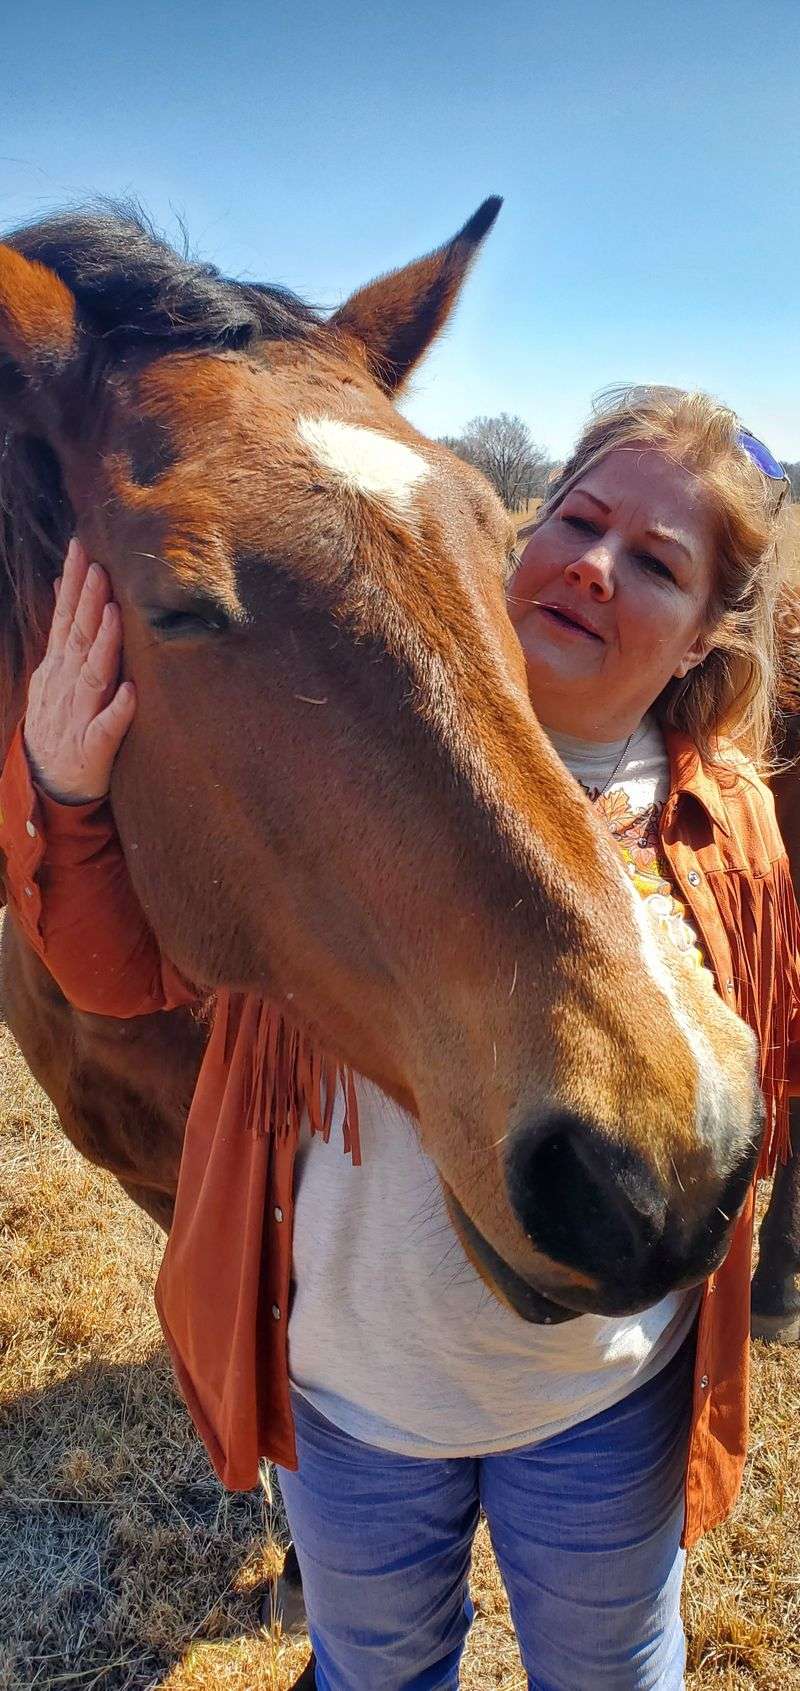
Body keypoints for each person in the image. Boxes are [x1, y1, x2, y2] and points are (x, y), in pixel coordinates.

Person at [2, 385, 799, 1691]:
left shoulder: (729, 826)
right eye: (580, 519)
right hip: (355, 1391)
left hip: (604, 1400)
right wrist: (67, 794)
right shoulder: (358, 739)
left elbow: (775, 1040)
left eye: (655, 560)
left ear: (710, 625)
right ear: (525, 526)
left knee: (612, 1666)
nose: (595, 566)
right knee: (376, 1670)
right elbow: (120, 976)